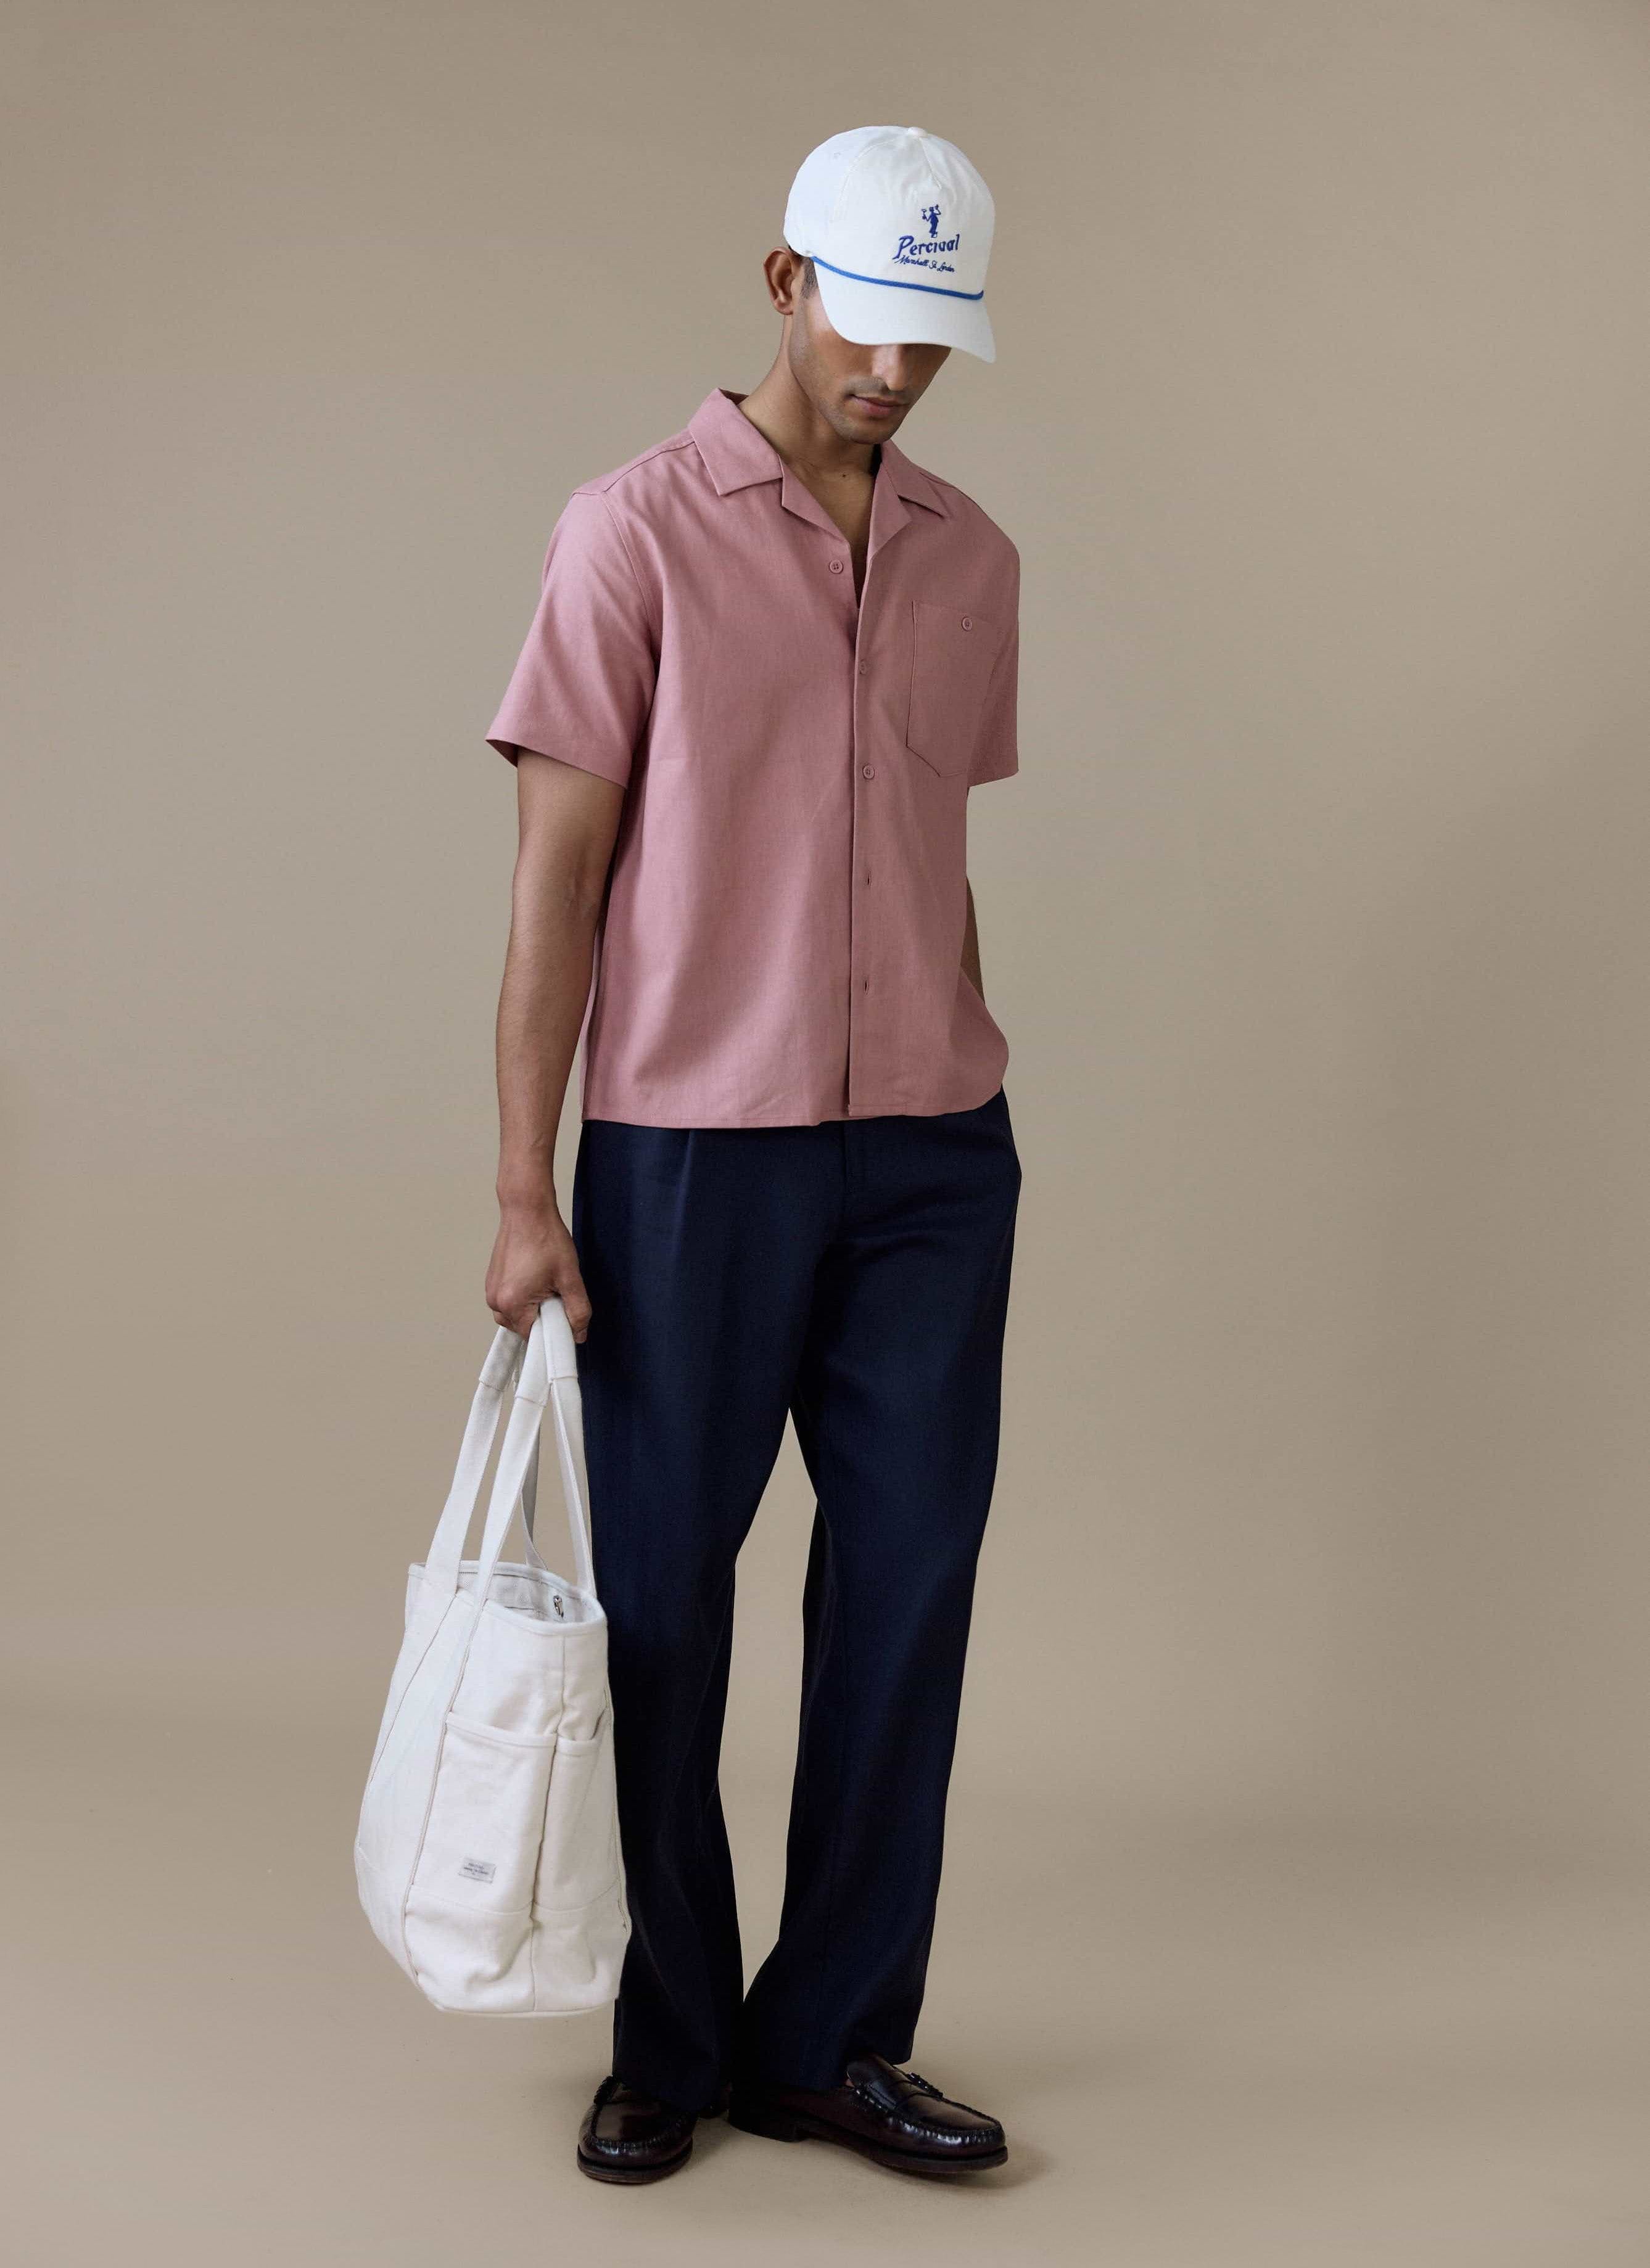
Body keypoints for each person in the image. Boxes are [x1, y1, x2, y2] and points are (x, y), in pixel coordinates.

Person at [482, 124, 1023, 2185]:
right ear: (784, 283)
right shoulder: (629, 533)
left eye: (935, 341)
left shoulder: (971, 556)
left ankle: (832, 2041)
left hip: (929, 1163)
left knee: (904, 1594)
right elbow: (555, 887)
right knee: (665, 1604)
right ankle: (667, 2036)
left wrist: (963, 1073)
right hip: (688, 1154)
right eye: (870, 323)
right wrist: (527, 1189)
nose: (894, 373)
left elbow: (933, 856)